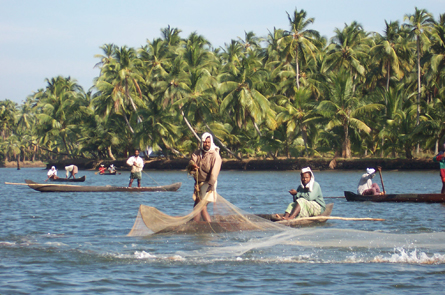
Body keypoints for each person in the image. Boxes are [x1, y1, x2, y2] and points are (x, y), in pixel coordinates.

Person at [187, 132, 222, 222]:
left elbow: (214, 173)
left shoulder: (215, 156)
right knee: (198, 206)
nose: (207, 144)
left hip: (208, 184)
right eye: (205, 142)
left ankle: (202, 226)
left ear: (211, 143)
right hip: (199, 184)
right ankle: (200, 225)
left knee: (200, 206)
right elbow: (192, 161)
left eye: (208, 142)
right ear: (202, 143)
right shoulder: (197, 153)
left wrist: (210, 186)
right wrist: (193, 165)